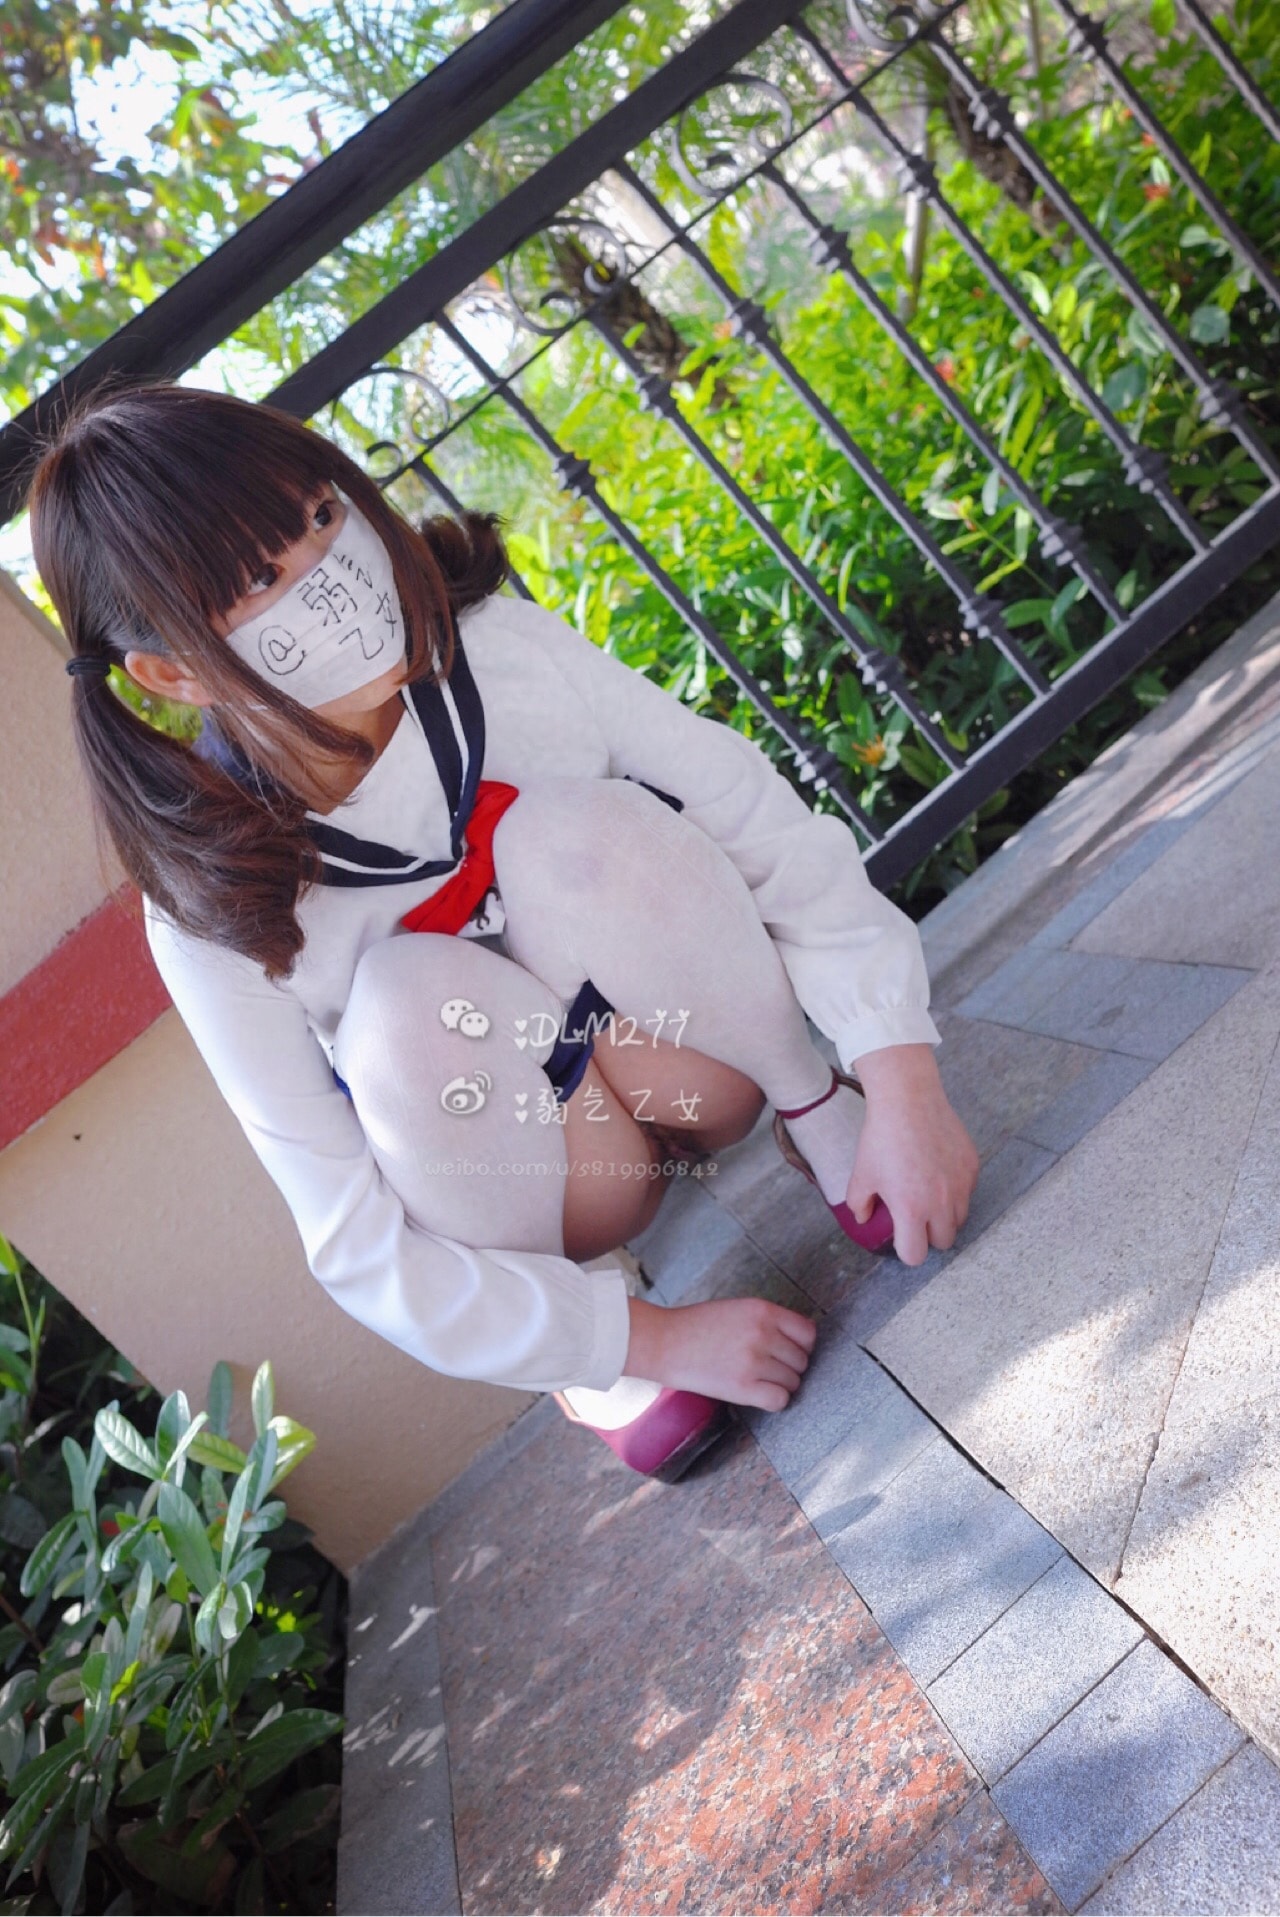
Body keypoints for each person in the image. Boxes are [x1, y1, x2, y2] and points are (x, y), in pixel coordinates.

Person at [27, 381, 978, 1478]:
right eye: (258, 579)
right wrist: (640, 1341)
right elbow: (353, 1238)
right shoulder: (206, 908)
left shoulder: (495, 651)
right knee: (399, 1003)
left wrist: (897, 1071)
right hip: (564, 1178)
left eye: (322, 515)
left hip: (695, 1073)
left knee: (569, 828)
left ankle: (817, 1108)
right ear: (171, 671)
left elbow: (746, 812)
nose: (329, 572)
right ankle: (596, 1336)